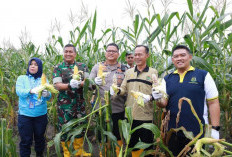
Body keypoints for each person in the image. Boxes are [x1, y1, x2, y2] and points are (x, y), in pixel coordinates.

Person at [153, 45, 220, 156]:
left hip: (197, 132)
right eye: (176, 56)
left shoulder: (203, 75)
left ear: (190, 57)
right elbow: (163, 104)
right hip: (172, 132)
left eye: (182, 55)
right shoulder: (167, 79)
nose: (179, 58)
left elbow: (213, 102)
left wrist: (215, 129)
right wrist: (158, 98)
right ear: (173, 60)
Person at [111, 45, 158, 157]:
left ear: (147, 55)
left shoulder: (153, 72)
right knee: (132, 144)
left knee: (146, 146)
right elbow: (123, 89)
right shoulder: (129, 72)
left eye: (140, 54)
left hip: (146, 116)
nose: (137, 57)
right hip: (130, 116)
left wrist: (150, 97)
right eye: (135, 54)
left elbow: (157, 92)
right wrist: (116, 90)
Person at [53, 44, 91, 157]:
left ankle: (79, 151)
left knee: (80, 127)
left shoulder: (83, 66)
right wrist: (69, 85)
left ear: (75, 54)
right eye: (66, 51)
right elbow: (57, 85)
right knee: (65, 129)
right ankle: (67, 152)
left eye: (71, 52)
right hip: (64, 106)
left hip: (80, 104)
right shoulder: (58, 67)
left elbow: (88, 82)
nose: (68, 54)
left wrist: (79, 83)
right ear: (63, 53)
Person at [89, 43, 126, 156]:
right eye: (108, 50)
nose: (111, 53)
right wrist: (94, 83)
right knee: (102, 136)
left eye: (114, 51)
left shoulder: (124, 68)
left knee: (117, 135)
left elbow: (128, 88)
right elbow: (89, 85)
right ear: (105, 53)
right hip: (101, 109)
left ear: (118, 54)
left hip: (118, 108)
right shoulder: (97, 67)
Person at [16, 57, 51, 157]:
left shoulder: (44, 79)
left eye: (36, 65)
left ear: (39, 67)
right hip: (25, 115)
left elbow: (49, 97)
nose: (33, 66)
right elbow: (19, 91)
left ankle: (39, 154)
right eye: (31, 64)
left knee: (40, 139)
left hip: (40, 115)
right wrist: (30, 90)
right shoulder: (22, 78)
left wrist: (47, 94)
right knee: (26, 140)